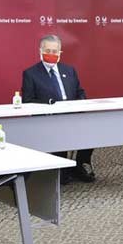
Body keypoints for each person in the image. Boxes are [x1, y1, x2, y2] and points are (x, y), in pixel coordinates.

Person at [22, 34, 96, 185]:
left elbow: (79, 91)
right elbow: (27, 101)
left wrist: (81, 101)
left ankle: (79, 164)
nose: (51, 54)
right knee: (61, 179)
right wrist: (49, 103)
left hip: (72, 117)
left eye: (55, 51)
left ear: (60, 52)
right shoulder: (30, 74)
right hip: (49, 120)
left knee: (92, 131)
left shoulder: (69, 70)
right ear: (40, 51)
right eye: (47, 50)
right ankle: (62, 169)